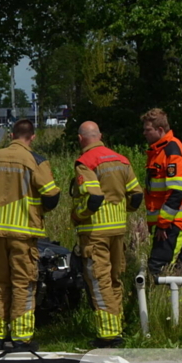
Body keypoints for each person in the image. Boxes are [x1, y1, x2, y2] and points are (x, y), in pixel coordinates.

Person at [0, 119, 60, 352]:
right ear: (32, 137)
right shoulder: (35, 160)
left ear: (11, 135)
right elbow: (52, 195)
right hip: (23, 234)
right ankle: (21, 338)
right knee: (23, 284)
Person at [71, 122, 143, 348]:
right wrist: (123, 210)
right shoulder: (121, 160)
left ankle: (108, 334)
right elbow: (137, 195)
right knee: (114, 279)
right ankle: (117, 327)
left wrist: (78, 215)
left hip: (95, 232)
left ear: (81, 139)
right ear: (100, 135)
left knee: (99, 281)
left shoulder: (86, 162)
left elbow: (93, 198)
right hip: (118, 230)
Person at [142, 108, 182, 300]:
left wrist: (163, 223)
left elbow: (176, 193)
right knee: (179, 263)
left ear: (159, 129)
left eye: (147, 129)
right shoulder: (159, 151)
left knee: (158, 266)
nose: (144, 133)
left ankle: (153, 307)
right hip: (169, 222)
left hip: (173, 223)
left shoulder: (172, 152)